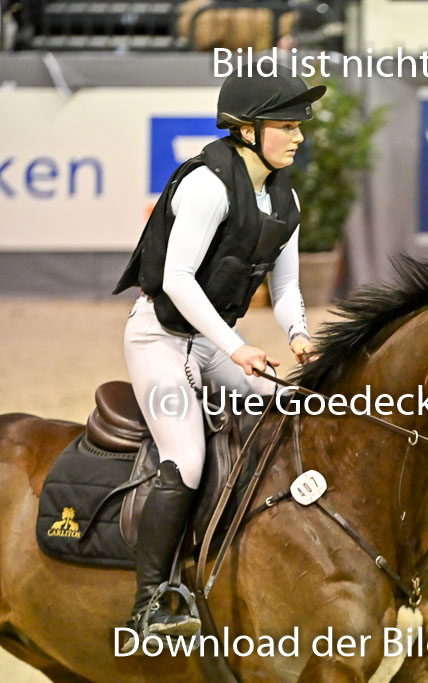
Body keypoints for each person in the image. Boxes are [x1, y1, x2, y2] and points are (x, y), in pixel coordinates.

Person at [112, 67, 326, 636]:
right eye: (287, 125)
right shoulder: (207, 186)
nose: (299, 135)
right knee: (185, 458)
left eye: (300, 125)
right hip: (159, 337)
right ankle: (149, 602)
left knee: (287, 412)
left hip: (211, 343)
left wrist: (298, 334)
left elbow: (285, 287)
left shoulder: (284, 196)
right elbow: (177, 281)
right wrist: (237, 348)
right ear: (247, 130)